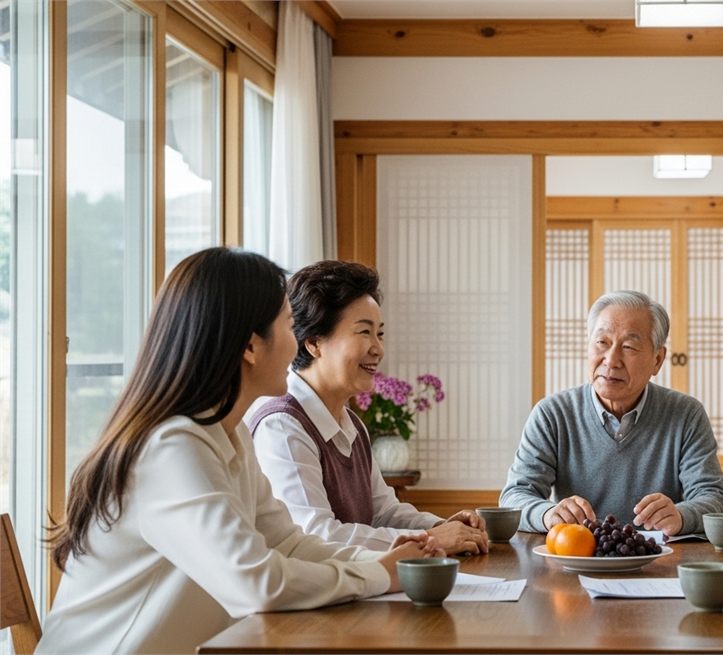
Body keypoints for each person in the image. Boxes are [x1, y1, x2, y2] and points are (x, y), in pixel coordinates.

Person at [39, 248, 440, 655]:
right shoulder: (172, 447)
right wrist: (378, 574)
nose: (296, 345)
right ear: (250, 346)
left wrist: (386, 563)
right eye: (289, 326)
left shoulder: (228, 436)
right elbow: (256, 584)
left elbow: (289, 544)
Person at [250, 260, 488, 555]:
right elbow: (317, 534)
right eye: (364, 332)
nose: (378, 348)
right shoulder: (282, 426)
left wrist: (442, 526)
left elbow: (383, 511)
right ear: (314, 343)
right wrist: (431, 538)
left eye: (380, 334)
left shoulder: (352, 424)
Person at [500, 290, 723, 535]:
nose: (611, 360)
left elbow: (715, 498)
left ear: (657, 360)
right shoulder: (552, 414)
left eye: (629, 346)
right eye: (602, 342)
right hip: (577, 552)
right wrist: (547, 513)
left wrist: (682, 515)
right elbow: (515, 496)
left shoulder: (686, 415)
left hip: (658, 556)